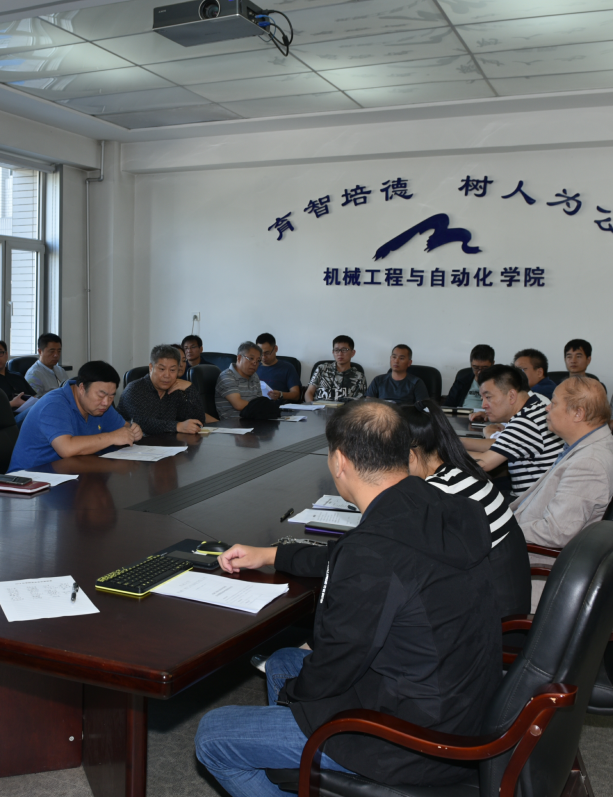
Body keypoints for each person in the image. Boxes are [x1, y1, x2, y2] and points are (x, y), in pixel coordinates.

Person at [195, 401, 500, 795]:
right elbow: (365, 562)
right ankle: (303, 774)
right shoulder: (449, 507)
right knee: (284, 661)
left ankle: (308, 763)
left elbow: (336, 661)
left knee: (214, 736)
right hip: (464, 706)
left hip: (412, 741)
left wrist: (294, 699)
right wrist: (272, 555)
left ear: (339, 461)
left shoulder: (372, 553)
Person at [403, 400, 531, 619]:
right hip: (504, 597)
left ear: (410, 455)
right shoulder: (458, 470)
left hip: (490, 615)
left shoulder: (438, 491)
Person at [509, 378, 613, 550]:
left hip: (526, 553)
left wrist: (499, 531)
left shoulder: (589, 464)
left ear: (578, 413)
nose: (547, 407)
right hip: (521, 530)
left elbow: (556, 533)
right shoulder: (588, 445)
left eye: (554, 403)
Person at [9, 360, 142, 470]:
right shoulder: (54, 404)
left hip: (70, 474)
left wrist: (133, 431)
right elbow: (66, 448)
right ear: (82, 388)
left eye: (111, 396)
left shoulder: (100, 407)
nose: (106, 402)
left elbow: (124, 429)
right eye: (101, 395)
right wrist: (112, 437)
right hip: (29, 480)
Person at [462, 365, 565, 497]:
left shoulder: (526, 421)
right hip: (541, 494)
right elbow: (498, 445)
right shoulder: (536, 407)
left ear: (511, 396)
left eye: (488, 397)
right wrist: (453, 441)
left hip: (530, 502)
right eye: (482, 399)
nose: (483, 405)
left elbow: (483, 463)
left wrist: (442, 450)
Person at [116, 344, 205, 435]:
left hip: (167, 442)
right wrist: (177, 426)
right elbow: (142, 423)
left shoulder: (176, 391)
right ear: (151, 368)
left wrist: (190, 388)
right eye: (162, 369)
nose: (167, 375)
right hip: (131, 442)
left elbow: (198, 421)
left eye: (172, 370)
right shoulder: (134, 389)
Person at [0, 337, 39, 423]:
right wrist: (12, 404)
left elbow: (33, 398)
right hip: (5, 422)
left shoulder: (17, 376)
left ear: (6, 355)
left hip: (27, 417)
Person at [304, 335, 367, 403]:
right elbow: (309, 393)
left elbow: (359, 403)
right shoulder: (322, 369)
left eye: (344, 350)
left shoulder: (359, 377)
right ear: (333, 352)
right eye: (336, 350)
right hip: (318, 408)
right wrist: (311, 406)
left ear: (352, 353)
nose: (340, 353)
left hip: (344, 409)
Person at [215, 342, 266, 420]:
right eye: (251, 358)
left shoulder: (255, 376)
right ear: (239, 358)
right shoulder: (227, 376)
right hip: (234, 424)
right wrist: (264, 407)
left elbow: (259, 402)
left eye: (258, 360)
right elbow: (238, 405)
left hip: (254, 420)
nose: (255, 363)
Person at [444, 344, 494, 410]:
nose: (479, 372)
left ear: (493, 364)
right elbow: (447, 406)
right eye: (476, 367)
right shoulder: (461, 382)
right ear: (471, 364)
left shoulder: (500, 383)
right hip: (464, 415)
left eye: (485, 368)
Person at [254, 333, 301, 402]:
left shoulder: (288, 368)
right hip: (255, 405)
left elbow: (296, 395)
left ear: (275, 349)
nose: (263, 357)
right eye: (261, 353)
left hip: (277, 406)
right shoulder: (254, 367)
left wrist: (281, 395)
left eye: (267, 353)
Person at [26, 333, 68, 397]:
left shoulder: (61, 370)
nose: (56, 355)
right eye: (52, 351)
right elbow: (35, 401)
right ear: (40, 352)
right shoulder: (34, 374)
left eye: (59, 351)